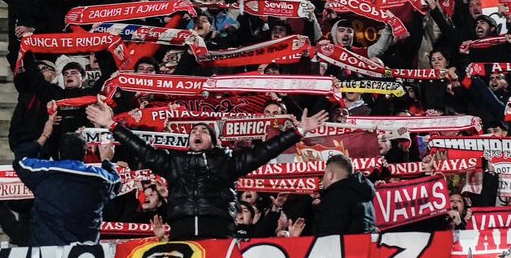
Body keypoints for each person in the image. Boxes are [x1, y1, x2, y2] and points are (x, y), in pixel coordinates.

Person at [86, 102, 329, 239]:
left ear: (213, 141)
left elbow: (265, 151)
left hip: (218, 231)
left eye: (203, 131)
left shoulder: (227, 161)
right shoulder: (174, 162)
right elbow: (142, 149)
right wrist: (112, 125)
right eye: (193, 132)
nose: (196, 133)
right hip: (181, 232)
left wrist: (298, 131)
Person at [12, 112, 120, 246]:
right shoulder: (100, 178)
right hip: (85, 256)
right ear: (85, 154)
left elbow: (20, 158)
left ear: (58, 153)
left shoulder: (43, 171)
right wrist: (106, 159)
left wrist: (45, 135)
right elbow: (116, 182)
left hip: (45, 253)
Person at [311, 153, 376, 235]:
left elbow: (326, 236)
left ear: (330, 175)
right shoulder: (365, 196)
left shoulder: (334, 198)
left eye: (324, 174)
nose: (322, 180)